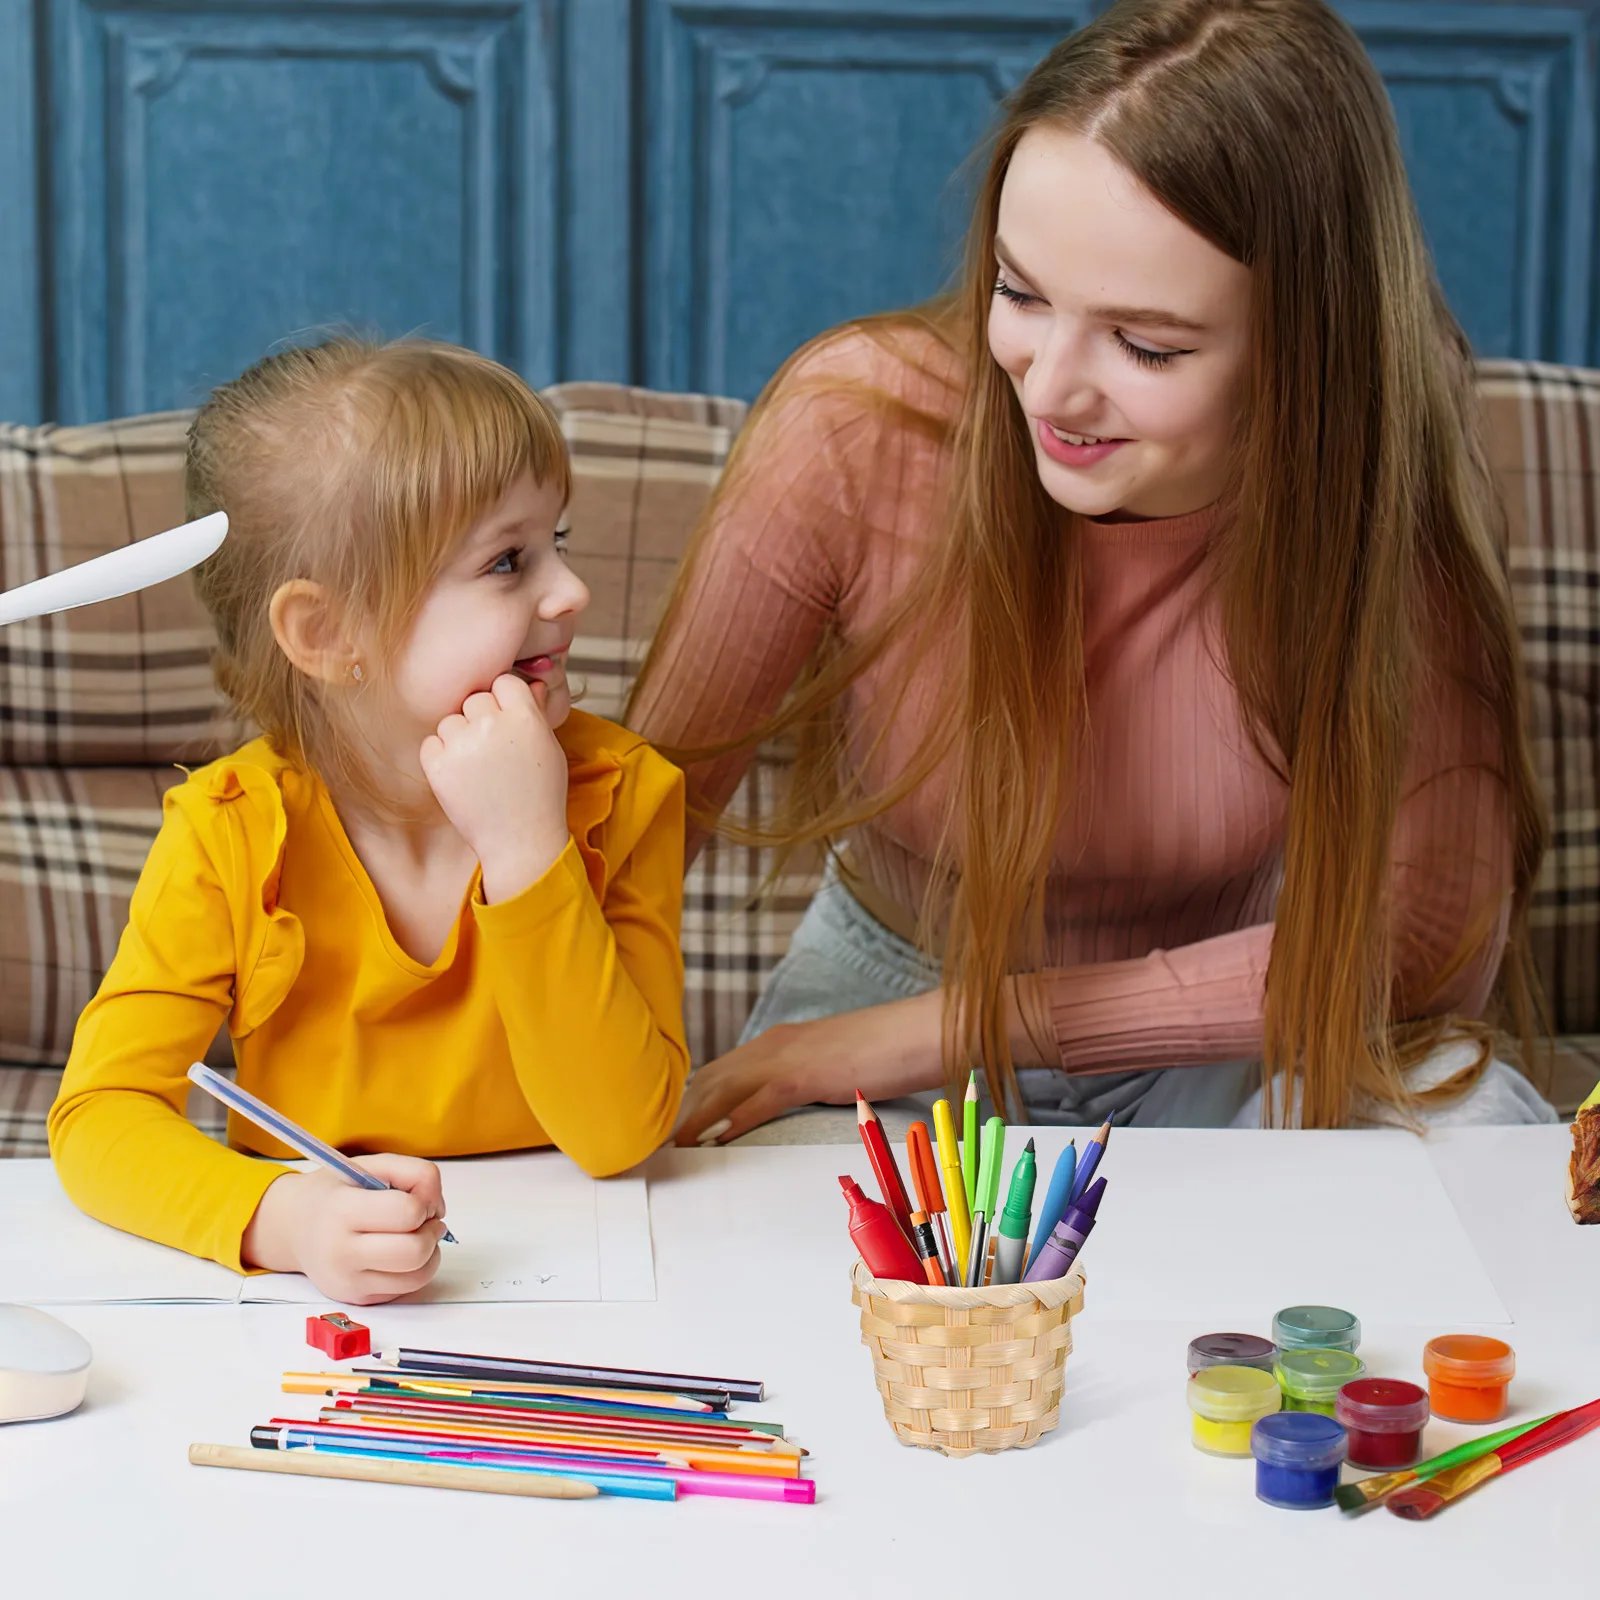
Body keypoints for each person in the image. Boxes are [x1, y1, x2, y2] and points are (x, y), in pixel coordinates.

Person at [628, 0, 1555, 1142]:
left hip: (1221, 1037)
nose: (1049, 388)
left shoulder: (1374, 494)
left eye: (1145, 345)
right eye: (1018, 294)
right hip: (875, 1003)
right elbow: (633, 833)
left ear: (1304, 351)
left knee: (1474, 1131)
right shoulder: (857, 424)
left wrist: (977, 1021)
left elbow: (1413, 947)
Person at [49, 338, 689, 1302]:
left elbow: (620, 1131)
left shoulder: (620, 792)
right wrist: (282, 1219)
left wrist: (526, 848)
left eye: (557, 542)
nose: (569, 592)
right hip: (311, 1301)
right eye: (507, 561)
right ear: (328, 634)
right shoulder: (229, 830)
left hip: (590, 1276)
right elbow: (100, 1115)